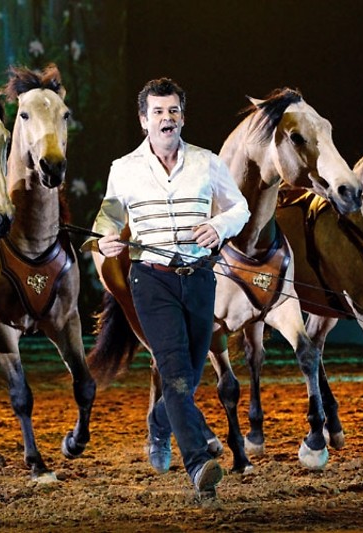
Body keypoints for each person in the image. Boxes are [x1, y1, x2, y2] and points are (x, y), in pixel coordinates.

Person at [90, 77, 250, 499]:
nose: (167, 118)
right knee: (175, 374)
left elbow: (240, 207)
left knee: (189, 380)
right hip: (151, 280)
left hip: (199, 279)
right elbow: (108, 216)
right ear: (144, 120)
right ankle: (198, 465)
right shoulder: (124, 168)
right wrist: (105, 238)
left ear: (183, 117)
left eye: (173, 111)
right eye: (158, 111)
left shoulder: (206, 162)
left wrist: (219, 226)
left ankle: (158, 424)